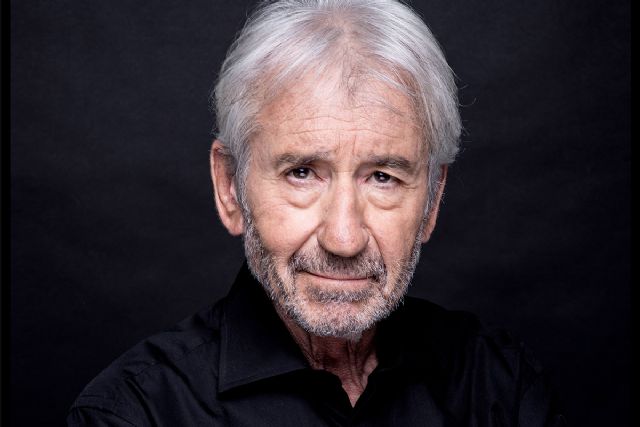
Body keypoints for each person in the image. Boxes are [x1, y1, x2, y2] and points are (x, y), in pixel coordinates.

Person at [68, 0, 565, 425]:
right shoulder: (137, 412)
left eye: (383, 177)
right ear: (229, 187)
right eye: (302, 172)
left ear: (432, 200)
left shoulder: (500, 388)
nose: (344, 239)